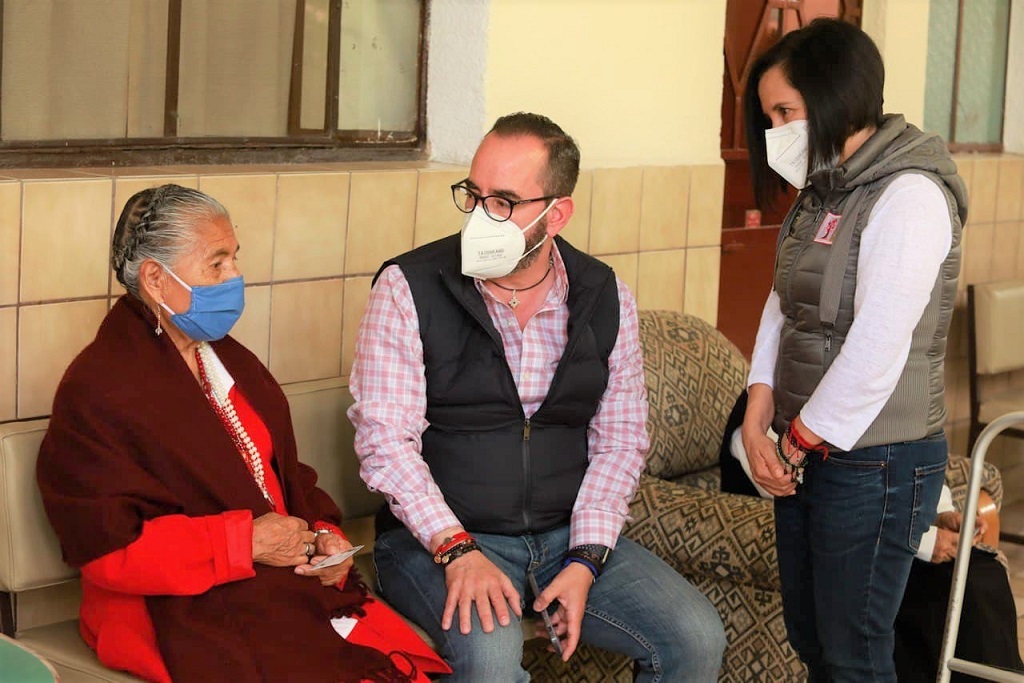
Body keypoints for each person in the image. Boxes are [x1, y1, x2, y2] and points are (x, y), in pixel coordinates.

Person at [348, 112, 726, 682]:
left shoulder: (603, 295)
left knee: (695, 638)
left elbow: (620, 440)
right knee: (493, 661)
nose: (481, 217)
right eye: (472, 196)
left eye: (503, 202)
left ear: (557, 213)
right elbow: (384, 441)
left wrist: (587, 556)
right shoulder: (409, 286)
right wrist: (456, 548)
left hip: (565, 535)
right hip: (440, 539)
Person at [37, 185, 448, 683]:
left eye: (234, 259)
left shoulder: (227, 360)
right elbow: (108, 550)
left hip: (271, 581)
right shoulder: (98, 390)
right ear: (155, 279)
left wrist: (323, 538)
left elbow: (282, 474)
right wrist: (244, 543)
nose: (235, 277)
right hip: (168, 606)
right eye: (217, 264)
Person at [741, 18, 968, 682]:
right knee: (814, 640)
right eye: (769, 115)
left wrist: (796, 441)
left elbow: (878, 346)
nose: (776, 130)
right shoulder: (825, 188)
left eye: (786, 111)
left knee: (854, 652)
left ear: (835, 96)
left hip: (879, 459)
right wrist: (759, 405)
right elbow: (784, 299)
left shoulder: (911, 194)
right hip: (810, 447)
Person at [720, 393, 1024, 682]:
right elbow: (812, 495)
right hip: (847, 546)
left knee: (982, 573)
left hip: (888, 527)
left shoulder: (861, 392)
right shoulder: (765, 420)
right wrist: (925, 541)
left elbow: (902, 458)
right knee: (928, 598)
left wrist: (940, 512)